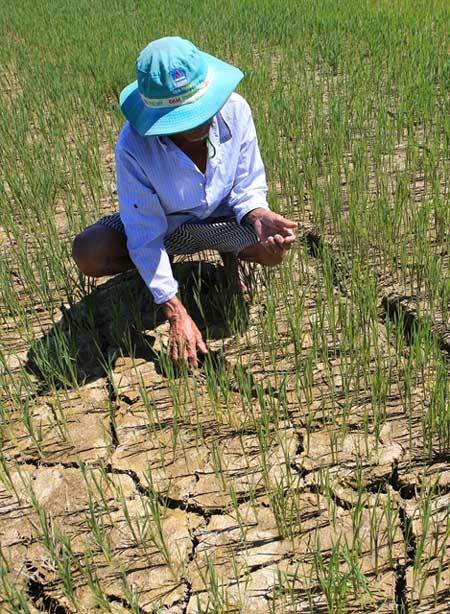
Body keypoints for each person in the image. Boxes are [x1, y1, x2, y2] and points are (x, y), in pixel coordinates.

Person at [72, 36, 297, 367]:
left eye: (203, 111)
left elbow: (247, 185)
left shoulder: (235, 111)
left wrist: (257, 213)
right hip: (168, 225)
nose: (201, 123)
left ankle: (232, 260)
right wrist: (174, 309)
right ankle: (162, 277)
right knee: (89, 252)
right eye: (185, 117)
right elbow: (145, 233)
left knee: (271, 249)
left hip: (223, 219)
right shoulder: (133, 144)